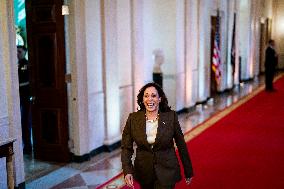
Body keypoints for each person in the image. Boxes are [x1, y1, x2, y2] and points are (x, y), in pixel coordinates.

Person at [121, 83, 193, 189]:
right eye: (146, 96)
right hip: (144, 171)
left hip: (167, 170)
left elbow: (181, 144)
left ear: (160, 99)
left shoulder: (170, 117)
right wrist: (127, 171)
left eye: (154, 96)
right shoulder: (133, 119)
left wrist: (188, 170)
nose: (150, 99)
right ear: (142, 99)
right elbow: (126, 148)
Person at [17, 45, 32, 154]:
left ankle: (27, 146)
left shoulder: (26, 64)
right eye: (16, 51)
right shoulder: (15, 64)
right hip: (18, 97)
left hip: (25, 96)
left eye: (19, 51)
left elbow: (28, 81)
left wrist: (18, 85)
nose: (17, 53)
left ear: (25, 52)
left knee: (25, 121)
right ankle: (22, 145)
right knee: (19, 122)